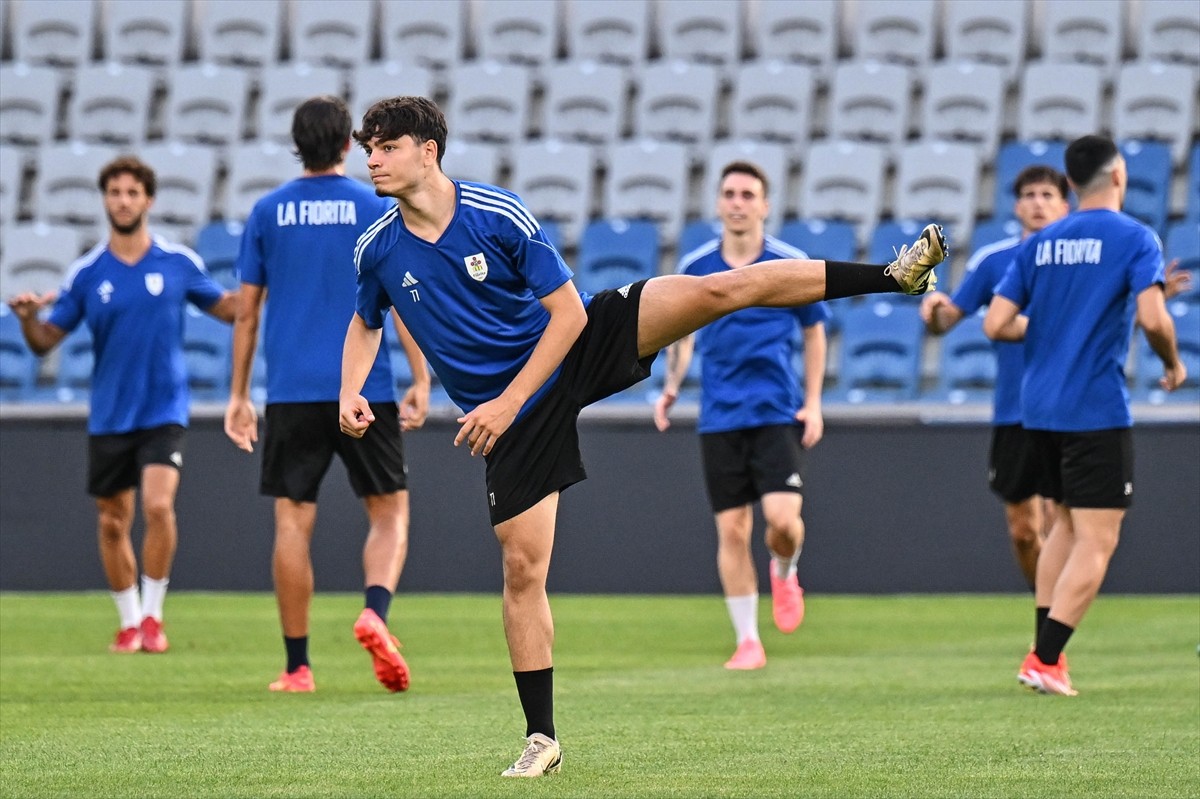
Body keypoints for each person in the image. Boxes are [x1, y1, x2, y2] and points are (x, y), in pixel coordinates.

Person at [338, 96, 946, 777]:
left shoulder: (496, 213)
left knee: (721, 290)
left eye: (385, 146)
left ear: (428, 151)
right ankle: (543, 738)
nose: (371, 159)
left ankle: (891, 275)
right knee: (522, 568)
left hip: (565, 351)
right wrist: (350, 389)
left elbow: (567, 315)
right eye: (368, 147)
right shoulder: (377, 247)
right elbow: (367, 321)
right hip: (515, 417)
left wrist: (507, 400)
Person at [223, 96, 430, 694]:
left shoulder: (266, 212)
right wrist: (420, 379)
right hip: (366, 385)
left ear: (298, 145)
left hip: (290, 390)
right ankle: (375, 610)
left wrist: (239, 394)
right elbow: (404, 300)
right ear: (349, 146)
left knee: (292, 523)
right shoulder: (377, 207)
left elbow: (246, 315)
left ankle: (296, 667)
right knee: (388, 511)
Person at [6, 156, 237, 653]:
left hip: (164, 409)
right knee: (113, 520)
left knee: (158, 505)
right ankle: (129, 621)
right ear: (105, 200)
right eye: (115, 193)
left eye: (133, 192)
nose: (124, 201)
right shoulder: (88, 272)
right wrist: (27, 319)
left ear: (148, 200)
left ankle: (153, 617)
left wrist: (266, 288)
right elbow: (46, 341)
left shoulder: (176, 262)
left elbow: (227, 309)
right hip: (111, 413)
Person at [984, 135, 1186, 696]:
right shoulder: (1135, 238)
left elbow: (996, 324)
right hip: (1094, 409)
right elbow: (1152, 319)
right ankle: (1045, 660)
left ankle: (1044, 654)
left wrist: (1053, 330)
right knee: (1098, 538)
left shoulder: (1041, 243)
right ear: (1118, 175)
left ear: (1069, 186)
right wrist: (1172, 362)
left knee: (1065, 526)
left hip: (1039, 409)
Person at [654, 161, 829, 671]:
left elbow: (815, 328)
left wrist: (813, 401)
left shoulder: (788, 262)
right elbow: (681, 331)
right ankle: (748, 640)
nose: (737, 202)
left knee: (782, 523)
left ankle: (785, 567)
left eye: (748, 194)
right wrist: (671, 388)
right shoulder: (698, 265)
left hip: (775, 411)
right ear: (717, 203)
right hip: (719, 416)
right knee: (731, 531)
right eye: (729, 193)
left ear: (764, 206)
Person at [920, 166, 1071, 592]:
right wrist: (934, 310)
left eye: (1047, 194)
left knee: (1065, 523)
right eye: (1029, 195)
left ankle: (1055, 626)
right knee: (1024, 530)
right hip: (1014, 409)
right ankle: (1048, 609)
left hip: (1068, 407)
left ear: (1065, 204)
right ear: (1016, 205)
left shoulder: (1081, 259)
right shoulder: (995, 262)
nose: (1038, 203)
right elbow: (948, 320)